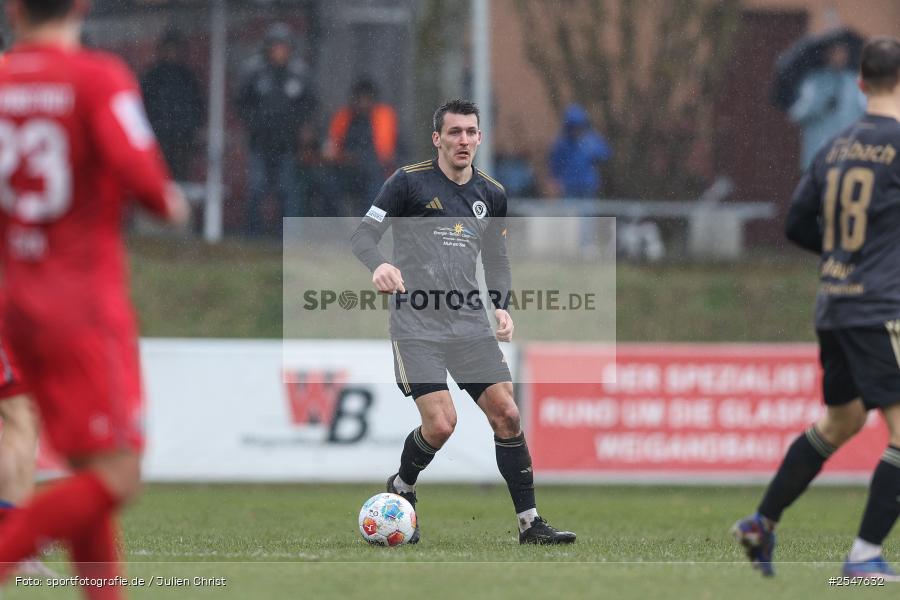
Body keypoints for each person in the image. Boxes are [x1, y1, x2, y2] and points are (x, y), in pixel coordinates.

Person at [0, 2, 189, 598]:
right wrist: (173, 203)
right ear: (81, 6)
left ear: (13, 9)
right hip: (80, 306)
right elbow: (149, 186)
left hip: (14, 304)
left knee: (87, 467)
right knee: (118, 475)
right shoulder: (96, 76)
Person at [351, 99, 576, 545]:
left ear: (480, 138)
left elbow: (496, 258)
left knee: (508, 415)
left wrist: (501, 305)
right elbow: (363, 235)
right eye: (454, 132)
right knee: (441, 425)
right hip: (416, 326)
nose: (464, 140)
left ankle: (530, 524)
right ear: (437, 138)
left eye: (472, 132)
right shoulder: (407, 183)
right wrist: (378, 264)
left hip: (469, 323)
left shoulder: (491, 194)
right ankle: (402, 486)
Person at [733, 37, 900, 581]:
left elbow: (798, 224)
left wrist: (846, 258)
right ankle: (864, 556)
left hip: (835, 304)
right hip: (880, 307)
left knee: (842, 420)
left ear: (860, 83)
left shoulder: (834, 147)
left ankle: (760, 522)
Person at [236, 22, 316, 236]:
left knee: (288, 191)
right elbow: (241, 103)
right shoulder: (254, 72)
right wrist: (256, 123)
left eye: (284, 47)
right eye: (276, 47)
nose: (279, 52)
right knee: (257, 189)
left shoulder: (299, 74)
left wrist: (301, 128)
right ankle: (253, 236)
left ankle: (287, 238)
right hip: (260, 143)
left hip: (288, 144)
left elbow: (310, 105)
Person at [789, 41, 867, 171]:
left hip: (847, 154)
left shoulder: (855, 81)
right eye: (834, 52)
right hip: (819, 152)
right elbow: (798, 113)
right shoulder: (814, 80)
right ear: (827, 54)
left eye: (841, 52)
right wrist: (819, 105)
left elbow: (866, 110)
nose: (838, 56)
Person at [326, 78, 398, 216]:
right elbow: (332, 146)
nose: (363, 103)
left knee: (375, 184)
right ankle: (336, 223)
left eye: (367, 98)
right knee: (327, 181)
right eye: (360, 98)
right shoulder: (344, 117)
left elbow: (394, 151)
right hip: (346, 169)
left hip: (377, 170)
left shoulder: (384, 117)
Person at [140, 29, 205, 181]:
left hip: (183, 136)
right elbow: (143, 104)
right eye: (168, 48)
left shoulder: (187, 77)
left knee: (180, 174)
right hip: (159, 135)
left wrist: (193, 127)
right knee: (159, 174)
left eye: (175, 48)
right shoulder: (153, 76)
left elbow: (197, 105)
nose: (172, 53)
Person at [548, 103, 612, 200]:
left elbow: (605, 154)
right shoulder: (561, 144)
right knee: (571, 213)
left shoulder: (591, 139)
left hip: (588, 185)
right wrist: (555, 181)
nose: (575, 130)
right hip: (569, 186)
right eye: (572, 127)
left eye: (578, 126)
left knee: (587, 212)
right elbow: (555, 164)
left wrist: (594, 153)